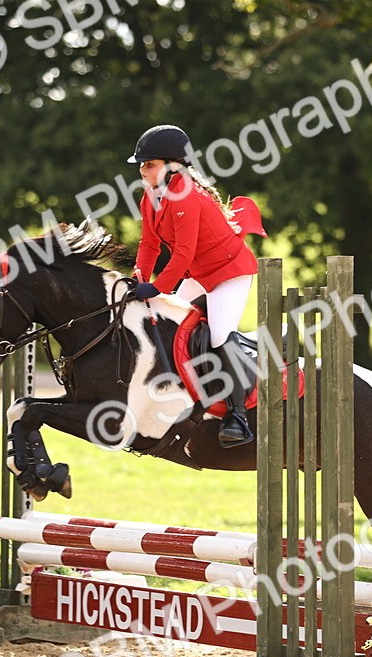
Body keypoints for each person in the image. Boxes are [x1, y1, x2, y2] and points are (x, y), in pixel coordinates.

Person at [127, 124, 266, 448]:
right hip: (199, 274)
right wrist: (140, 277)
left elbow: (184, 252)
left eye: (149, 164)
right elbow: (149, 245)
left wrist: (158, 287)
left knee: (218, 333)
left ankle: (237, 417)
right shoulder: (151, 199)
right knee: (170, 324)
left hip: (229, 274)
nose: (142, 171)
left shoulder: (186, 196)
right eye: (142, 165)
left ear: (173, 166)